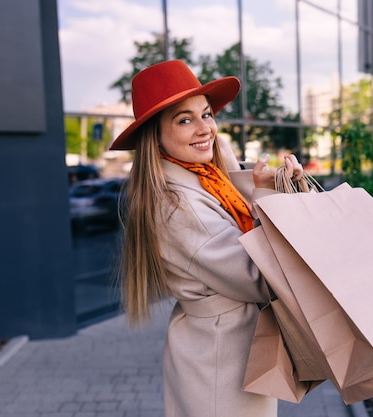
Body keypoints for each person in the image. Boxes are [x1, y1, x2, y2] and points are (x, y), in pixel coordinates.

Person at [109, 60, 303, 417]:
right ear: (156, 133)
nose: (205, 129)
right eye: (185, 119)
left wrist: (264, 187)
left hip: (223, 347)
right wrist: (272, 198)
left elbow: (231, 209)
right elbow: (261, 278)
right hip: (222, 360)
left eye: (207, 114)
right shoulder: (176, 204)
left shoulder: (198, 177)